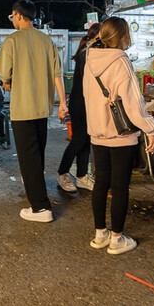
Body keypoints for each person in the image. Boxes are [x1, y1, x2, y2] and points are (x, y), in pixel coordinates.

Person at [83, 17, 154, 255]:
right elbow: (134, 102)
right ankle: (116, 239)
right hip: (121, 134)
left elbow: (88, 96)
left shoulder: (89, 60)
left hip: (97, 132)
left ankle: (100, 234)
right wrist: (150, 129)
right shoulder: (121, 61)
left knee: (101, 184)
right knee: (120, 187)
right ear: (124, 36)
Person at [0, 0, 67, 223]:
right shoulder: (46, 41)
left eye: (12, 17)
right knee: (37, 155)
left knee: (29, 157)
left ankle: (40, 207)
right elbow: (58, 74)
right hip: (42, 108)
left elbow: (3, 72)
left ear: (17, 15)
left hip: (22, 108)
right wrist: (62, 103)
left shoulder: (12, 40)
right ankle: (35, 190)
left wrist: (7, 80)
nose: (12, 20)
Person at [56, 22, 101, 194]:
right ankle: (62, 173)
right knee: (78, 140)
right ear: (97, 36)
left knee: (86, 140)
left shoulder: (92, 52)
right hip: (80, 103)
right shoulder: (87, 54)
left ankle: (82, 176)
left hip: (87, 103)